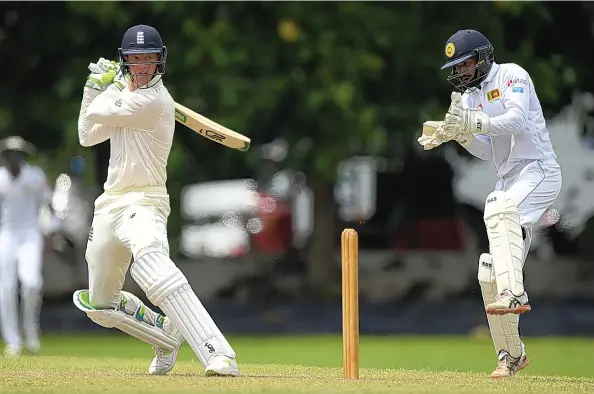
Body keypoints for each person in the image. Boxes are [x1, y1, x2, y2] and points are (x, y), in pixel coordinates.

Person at [72, 24, 239, 377]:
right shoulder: (127, 100)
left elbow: (100, 111)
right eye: (136, 60)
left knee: (151, 267)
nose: (143, 66)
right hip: (110, 203)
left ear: (160, 61)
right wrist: (93, 88)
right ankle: (165, 334)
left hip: (144, 201)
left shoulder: (153, 101)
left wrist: (109, 82)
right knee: (100, 307)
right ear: (127, 60)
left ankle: (217, 353)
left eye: (149, 59)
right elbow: (87, 135)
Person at [418, 29, 562, 378]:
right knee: (488, 273)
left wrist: (473, 121)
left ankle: (515, 292)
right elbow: (484, 148)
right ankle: (511, 355)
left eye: (465, 64)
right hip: (508, 179)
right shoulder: (468, 98)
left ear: (483, 57)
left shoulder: (512, 75)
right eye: (456, 67)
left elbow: (515, 120)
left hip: (538, 170)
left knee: (497, 205)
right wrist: (459, 133)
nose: (461, 72)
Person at [0, 136, 53, 356]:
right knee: (6, 289)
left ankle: (31, 333)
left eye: (18, 153)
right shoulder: (0, 178)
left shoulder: (35, 176)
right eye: (11, 153)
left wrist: (50, 232)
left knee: (31, 284)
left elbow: (48, 205)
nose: (15, 157)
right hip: (6, 234)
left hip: (30, 233)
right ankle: (13, 341)